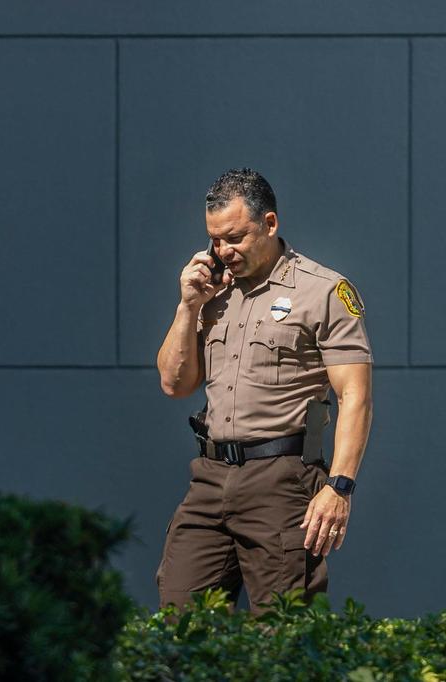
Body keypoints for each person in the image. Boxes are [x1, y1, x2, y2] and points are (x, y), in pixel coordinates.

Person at [154, 168, 372, 612]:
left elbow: (356, 396)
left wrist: (340, 487)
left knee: (283, 627)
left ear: (270, 224)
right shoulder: (212, 292)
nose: (223, 251)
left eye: (234, 237)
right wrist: (187, 306)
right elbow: (175, 384)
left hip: (282, 479)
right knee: (179, 619)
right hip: (210, 478)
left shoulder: (324, 291)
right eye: (215, 239)